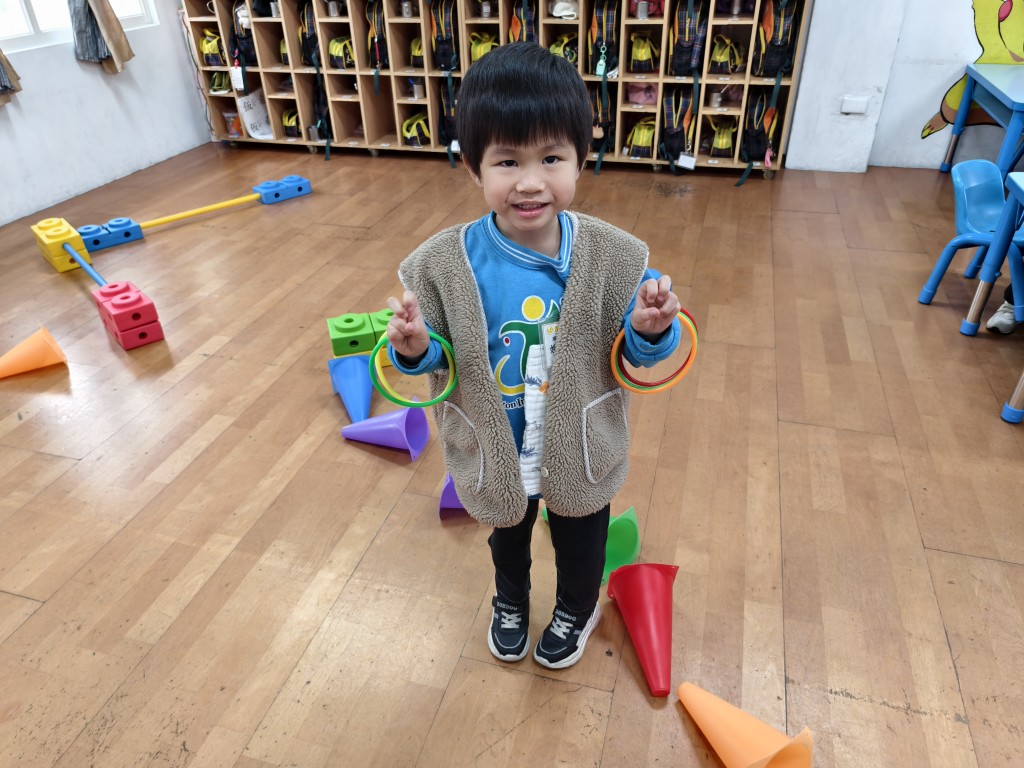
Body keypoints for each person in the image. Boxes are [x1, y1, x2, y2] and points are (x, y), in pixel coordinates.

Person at [383, 42, 683, 670]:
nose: (529, 181)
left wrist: (650, 331)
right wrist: (416, 350)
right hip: (499, 445)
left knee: (582, 539)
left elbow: (637, 357)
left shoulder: (613, 257)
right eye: (506, 161)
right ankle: (511, 600)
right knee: (507, 534)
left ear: (580, 157)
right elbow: (436, 360)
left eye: (551, 158)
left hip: (581, 442)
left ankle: (576, 605)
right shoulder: (447, 263)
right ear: (474, 167)